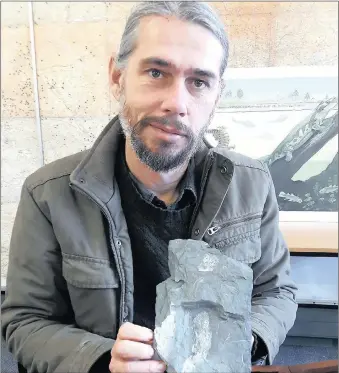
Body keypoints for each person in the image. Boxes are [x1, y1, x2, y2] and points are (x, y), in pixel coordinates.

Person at [1, 2, 298, 373]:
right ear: (116, 77)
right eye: (156, 72)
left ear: (217, 95)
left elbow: (275, 292)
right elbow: (25, 321)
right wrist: (102, 359)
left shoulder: (251, 183)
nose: (176, 103)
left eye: (199, 82)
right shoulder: (48, 195)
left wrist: (239, 341)